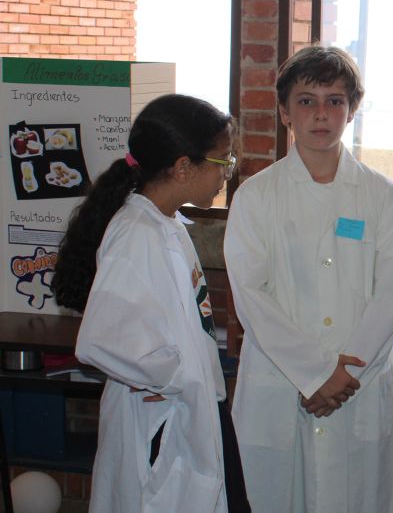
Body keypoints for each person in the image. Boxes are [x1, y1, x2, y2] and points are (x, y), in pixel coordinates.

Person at [224, 45, 393, 512]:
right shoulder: (256, 196)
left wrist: (343, 375)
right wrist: (315, 374)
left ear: (352, 109)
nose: (321, 114)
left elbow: (391, 295)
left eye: (335, 100)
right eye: (306, 101)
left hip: (357, 386)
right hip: (281, 382)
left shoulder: (383, 196)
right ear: (285, 112)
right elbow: (250, 294)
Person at [53, 94, 249, 512]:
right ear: (183, 167)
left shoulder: (165, 223)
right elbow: (102, 339)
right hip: (164, 418)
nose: (227, 173)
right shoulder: (136, 233)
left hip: (193, 406)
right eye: (223, 161)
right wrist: (171, 379)